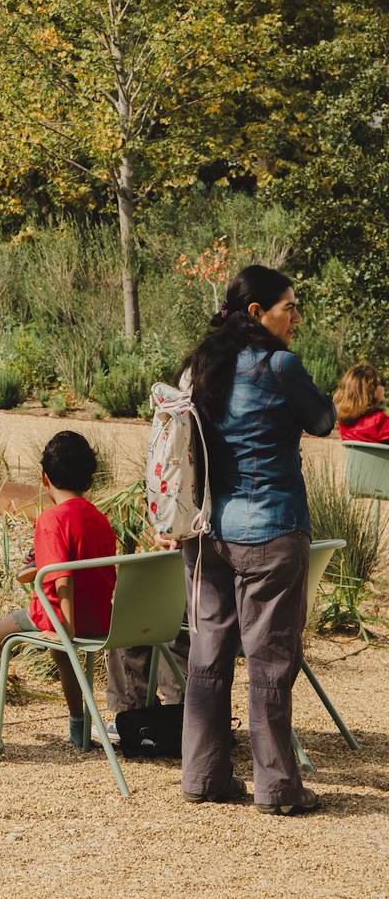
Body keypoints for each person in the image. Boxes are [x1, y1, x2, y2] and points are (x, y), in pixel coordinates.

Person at [177, 264, 335, 815]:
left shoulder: (200, 366)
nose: (297, 317)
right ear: (255, 313)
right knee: (270, 662)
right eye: (288, 307)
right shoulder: (280, 365)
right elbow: (322, 421)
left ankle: (202, 776)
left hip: (205, 533)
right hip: (269, 529)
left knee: (206, 657)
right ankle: (277, 789)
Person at [0, 431, 118, 760]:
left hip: (58, 617)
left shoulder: (51, 519)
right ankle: (78, 724)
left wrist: (64, 628)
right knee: (61, 654)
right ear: (90, 478)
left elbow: (61, 578)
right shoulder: (100, 519)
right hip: (100, 619)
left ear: (44, 477)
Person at [334, 363, 389, 444]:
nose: (383, 387)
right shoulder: (380, 422)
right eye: (381, 382)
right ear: (371, 390)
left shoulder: (344, 425)